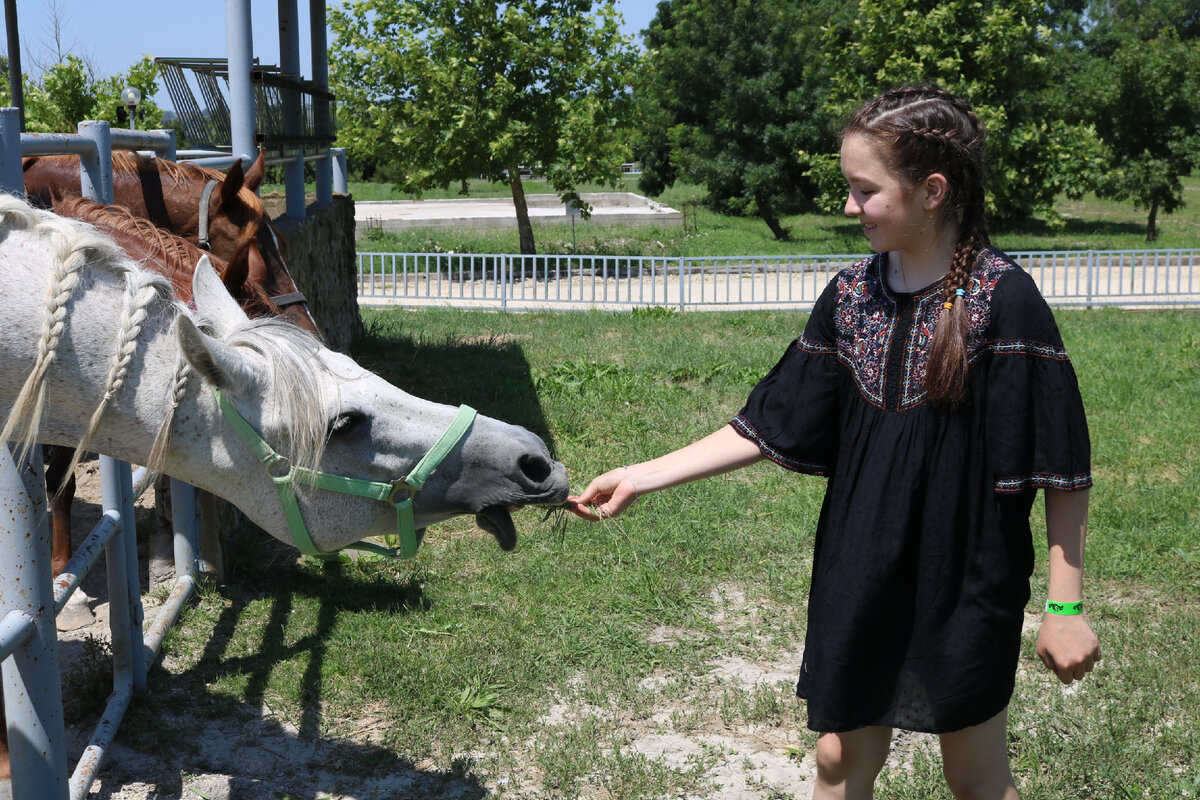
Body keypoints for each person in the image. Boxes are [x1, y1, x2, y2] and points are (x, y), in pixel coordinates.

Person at [568, 84, 1101, 800]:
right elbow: (770, 422)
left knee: (973, 777)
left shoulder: (1005, 300)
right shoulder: (851, 296)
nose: (849, 207)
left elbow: (1060, 468)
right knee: (836, 760)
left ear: (932, 191)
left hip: (965, 578)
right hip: (859, 567)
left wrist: (1065, 609)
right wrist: (642, 474)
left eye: (865, 190)